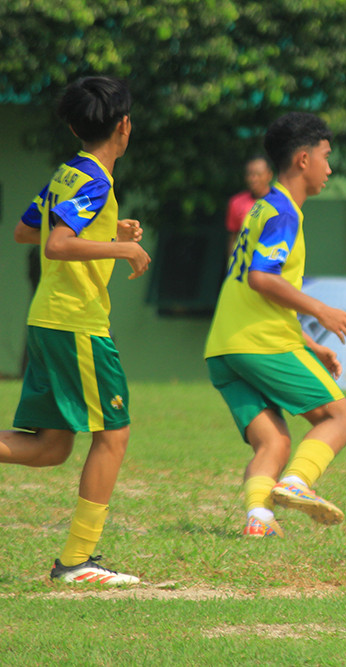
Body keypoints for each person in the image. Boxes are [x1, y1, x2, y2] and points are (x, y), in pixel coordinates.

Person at [3, 76, 151, 585]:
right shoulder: (96, 180)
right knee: (114, 433)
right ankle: (76, 562)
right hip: (75, 324)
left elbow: (28, 229)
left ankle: (77, 563)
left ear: (73, 125)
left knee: (52, 447)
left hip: (48, 318)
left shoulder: (66, 173)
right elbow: (56, 244)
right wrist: (123, 247)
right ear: (125, 126)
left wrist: (111, 231)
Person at [204, 112, 346, 538]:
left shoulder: (259, 209)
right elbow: (262, 278)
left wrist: (309, 344)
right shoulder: (285, 212)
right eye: (326, 157)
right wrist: (321, 311)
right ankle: (296, 483)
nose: (330, 167)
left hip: (224, 346)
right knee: (339, 419)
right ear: (303, 160)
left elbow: (255, 292)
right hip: (260, 343)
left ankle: (259, 517)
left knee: (273, 442)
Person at [225, 156, 273, 255]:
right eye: (250, 175)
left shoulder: (281, 202)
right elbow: (233, 238)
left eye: (258, 174)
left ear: (269, 175)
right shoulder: (236, 203)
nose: (253, 179)